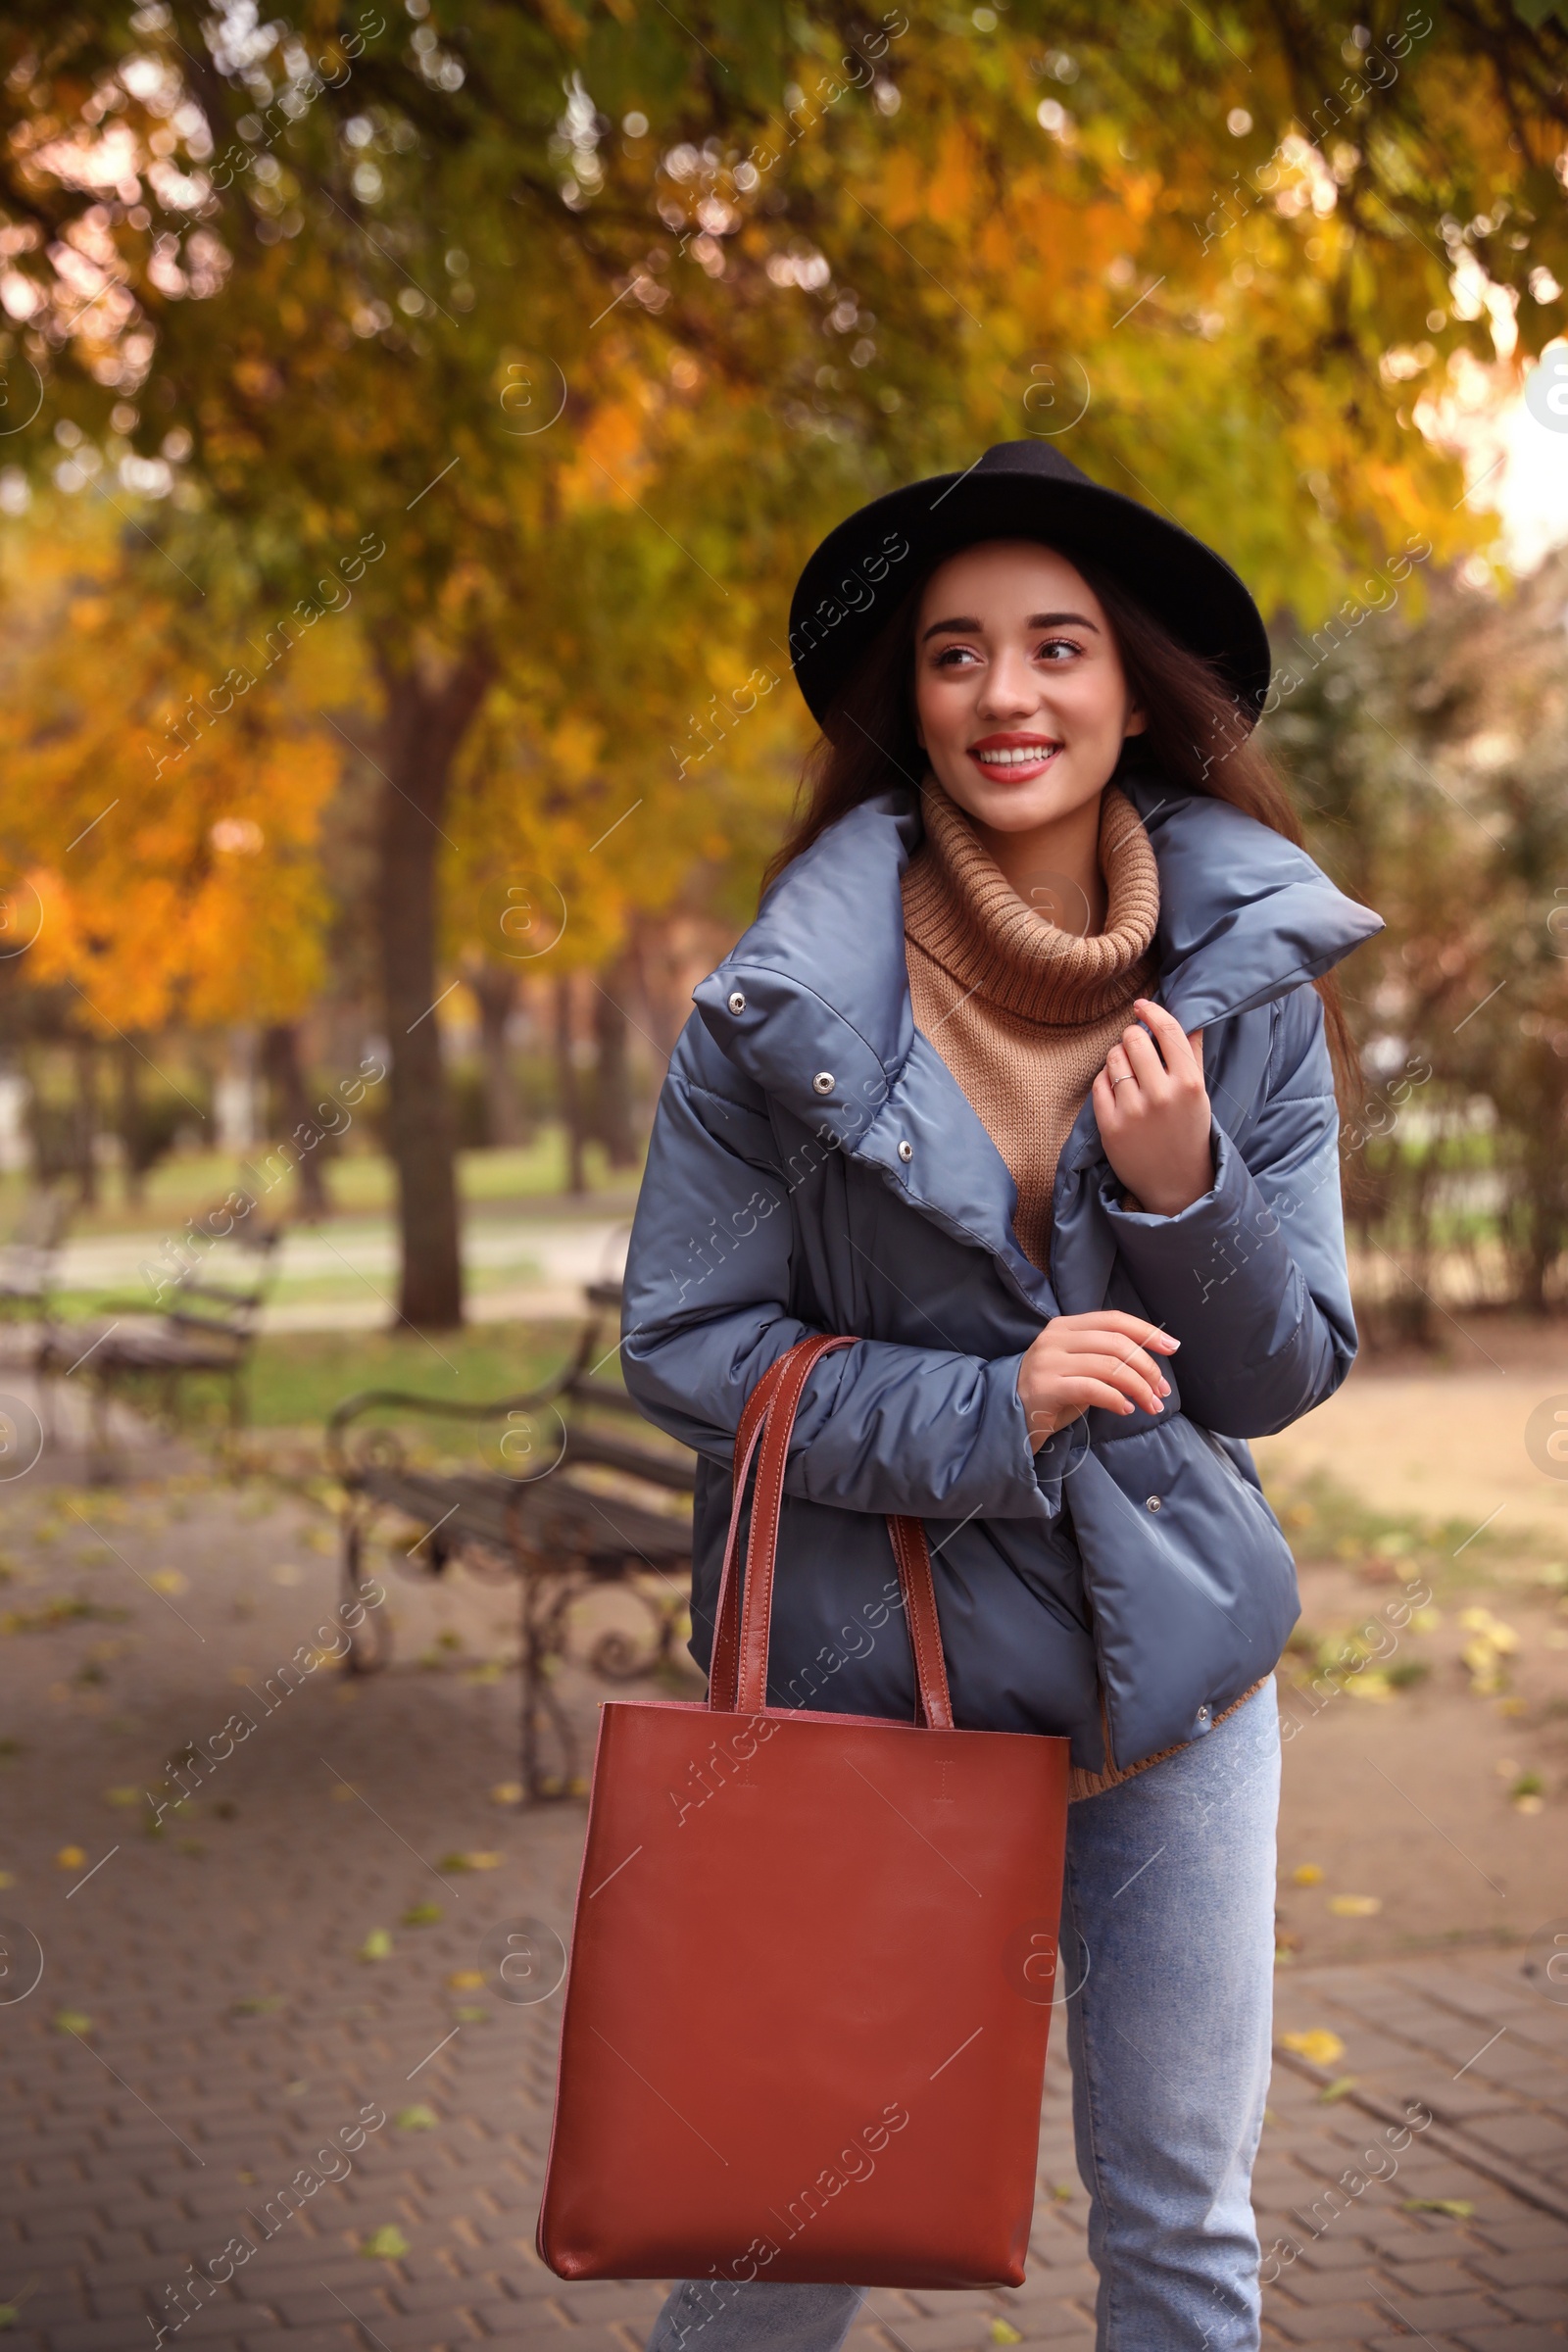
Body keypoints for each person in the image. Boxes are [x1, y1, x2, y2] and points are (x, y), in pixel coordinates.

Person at [618, 440, 1383, 2352]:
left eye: (1056, 647)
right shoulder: (777, 1016)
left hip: (1174, 1706)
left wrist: (1183, 1185)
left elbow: (1278, 1371)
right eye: (953, 655)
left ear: (1134, 692)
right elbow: (684, 1340)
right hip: (875, 1704)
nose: (1005, 695)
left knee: (1184, 2245)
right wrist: (990, 1406)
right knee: (777, 2249)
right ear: (909, 702)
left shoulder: (1247, 987)